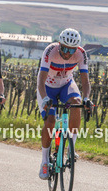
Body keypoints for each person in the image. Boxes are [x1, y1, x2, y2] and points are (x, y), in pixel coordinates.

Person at [37, 28, 91, 179]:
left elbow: (85, 81)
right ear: (59, 44)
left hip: (66, 84)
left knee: (76, 103)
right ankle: (44, 161)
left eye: (71, 50)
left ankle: (71, 148)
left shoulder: (81, 53)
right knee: (50, 121)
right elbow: (41, 80)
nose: (67, 53)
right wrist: (45, 98)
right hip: (48, 87)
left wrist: (86, 98)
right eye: (65, 48)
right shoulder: (50, 51)